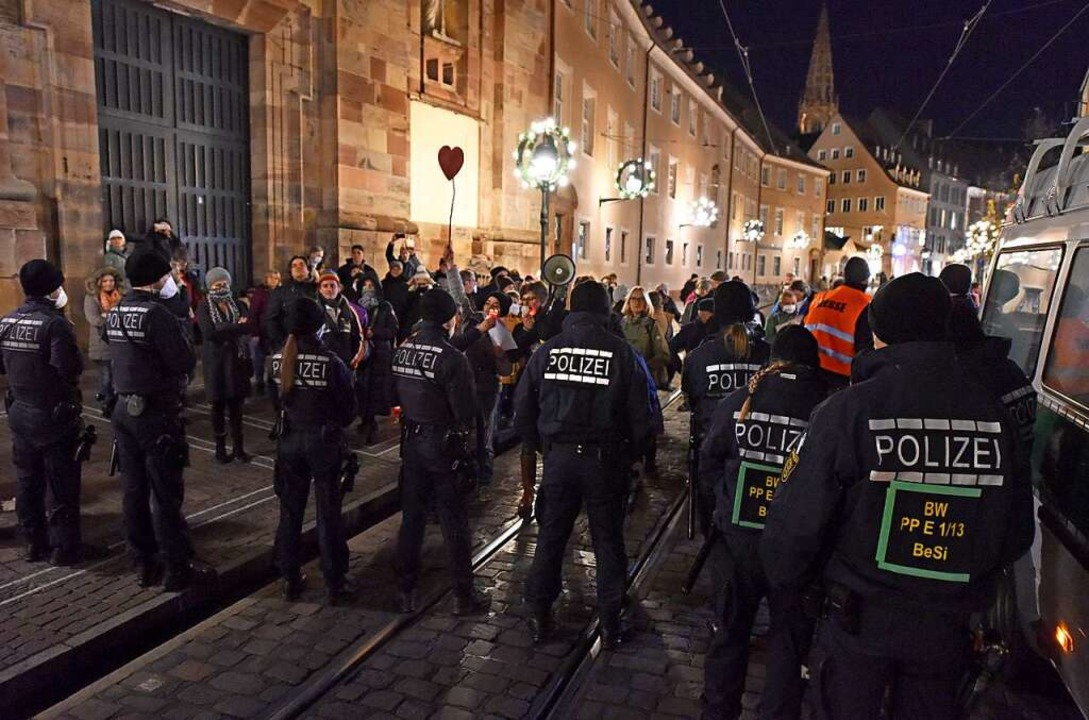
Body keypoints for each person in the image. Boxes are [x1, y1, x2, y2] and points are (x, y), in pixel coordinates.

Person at [761, 274, 1034, 720]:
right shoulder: (991, 415)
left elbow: (795, 526)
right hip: (946, 627)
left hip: (860, 623)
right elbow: (1017, 528)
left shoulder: (849, 411)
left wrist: (791, 591)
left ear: (876, 332)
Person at [700, 326, 828, 720]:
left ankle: (718, 714)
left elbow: (709, 464)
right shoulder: (828, 408)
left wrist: (718, 517)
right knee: (788, 645)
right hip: (796, 549)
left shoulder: (741, 400)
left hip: (737, 542)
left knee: (729, 636)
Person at [516, 281, 652, 647]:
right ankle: (610, 620)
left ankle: (539, 613)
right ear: (607, 309)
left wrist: (544, 446)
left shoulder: (548, 352)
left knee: (551, 536)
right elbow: (645, 417)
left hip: (559, 458)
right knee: (608, 540)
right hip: (605, 461)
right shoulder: (622, 353)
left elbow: (522, 408)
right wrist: (633, 456)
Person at [106, 251, 203, 590]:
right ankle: (177, 568)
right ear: (158, 278)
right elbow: (183, 361)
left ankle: (143, 562)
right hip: (157, 413)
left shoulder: (116, 311)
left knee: (133, 490)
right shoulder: (156, 315)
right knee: (164, 494)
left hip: (123, 410)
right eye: (167, 276)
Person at [393, 289, 490, 616]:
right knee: (454, 521)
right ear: (450, 319)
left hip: (411, 442)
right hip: (443, 445)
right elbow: (465, 411)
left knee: (412, 519)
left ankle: (406, 590)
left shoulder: (403, 349)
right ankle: (463, 595)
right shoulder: (452, 358)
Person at [271, 298, 356, 602]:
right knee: (328, 513)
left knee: (290, 512)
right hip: (323, 444)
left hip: (289, 442)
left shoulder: (278, 359)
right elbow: (348, 411)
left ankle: (290, 577)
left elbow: (275, 401)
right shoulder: (331, 362)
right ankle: (335, 580)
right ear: (319, 326)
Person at [1, 260, 85, 565]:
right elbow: (70, 369)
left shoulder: (7, 321)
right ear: (52, 289)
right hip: (52, 414)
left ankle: (34, 543)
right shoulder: (55, 324)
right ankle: (64, 547)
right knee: (61, 482)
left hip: (20, 412)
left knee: (27, 481)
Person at [683, 280, 770, 533]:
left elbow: (692, 399)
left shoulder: (699, 357)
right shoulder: (768, 355)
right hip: (757, 451)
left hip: (712, 451)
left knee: (712, 528)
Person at [196, 267, 252, 463]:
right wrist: (236, 327)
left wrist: (225, 328)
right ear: (209, 286)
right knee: (218, 407)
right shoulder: (204, 307)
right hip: (216, 364)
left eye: (224, 283)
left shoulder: (238, 304)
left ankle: (239, 448)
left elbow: (248, 326)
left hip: (236, 362)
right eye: (216, 284)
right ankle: (220, 449)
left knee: (236, 408)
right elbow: (209, 333)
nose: (221, 287)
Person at [463, 292, 513, 492]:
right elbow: (461, 299)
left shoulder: (502, 331)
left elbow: (506, 370)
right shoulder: (473, 324)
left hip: (488, 389)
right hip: (467, 385)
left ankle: (484, 480)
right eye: (487, 303)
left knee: (485, 436)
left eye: (496, 305)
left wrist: (500, 356)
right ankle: (467, 476)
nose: (490, 308)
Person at [803, 256, 873, 389]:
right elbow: (864, 350)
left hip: (811, 372)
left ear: (845, 276)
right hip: (841, 380)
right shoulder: (864, 304)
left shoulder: (820, 298)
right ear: (866, 279)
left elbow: (803, 329)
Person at [316, 270, 369, 430]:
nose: (329, 289)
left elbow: (359, 335)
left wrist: (355, 359)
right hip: (324, 365)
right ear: (320, 289)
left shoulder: (351, 310)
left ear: (339, 287)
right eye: (325, 286)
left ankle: (341, 434)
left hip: (347, 364)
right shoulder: (315, 309)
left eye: (332, 285)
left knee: (344, 400)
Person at [265, 255, 318, 408]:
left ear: (308, 269)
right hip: (288, 344)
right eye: (294, 265)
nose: (298, 267)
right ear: (290, 271)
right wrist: (281, 344)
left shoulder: (317, 289)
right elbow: (271, 319)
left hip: (313, 345)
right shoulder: (281, 292)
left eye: (302, 264)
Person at [357, 277, 399, 444]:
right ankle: (365, 419)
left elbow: (393, 329)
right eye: (365, 285)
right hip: (363, 354)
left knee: (376, 389)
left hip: (380, 354)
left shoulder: (385, 306)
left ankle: (372, 424)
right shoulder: (357, 307)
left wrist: (375, 333)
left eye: (371, 285)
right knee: (363, 387)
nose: (368, 288)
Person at [84, 267, 123, 414]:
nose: (109, 284)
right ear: (99, 282)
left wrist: (107, 315)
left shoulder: (120, 295)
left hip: (117, 342)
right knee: (106, 376)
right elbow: (94, 319)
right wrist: (111, 317)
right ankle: (107, 403)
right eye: (105, 281)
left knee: (117, 375)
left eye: (111, 280)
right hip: (101, 342)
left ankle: (116, 403)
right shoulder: (91, 298)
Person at [246, 269, 280, 395]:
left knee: (276, 358)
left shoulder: (279, 292)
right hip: (262, 331)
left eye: (276, 278)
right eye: (271, 277)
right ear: (266, 279)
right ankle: (259, 383)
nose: (274, 280)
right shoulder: (260, 294)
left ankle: (274, 382)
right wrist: (255, 333)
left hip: (275, 331)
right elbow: (253, 313)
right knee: (259, 358)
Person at [383, 260, 411, 341]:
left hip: (403, 315)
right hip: (388, 315)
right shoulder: (384, 283)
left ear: (402, 270)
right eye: (393, 268)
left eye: (398, 268)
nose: (395, 271)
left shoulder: (407, 283)